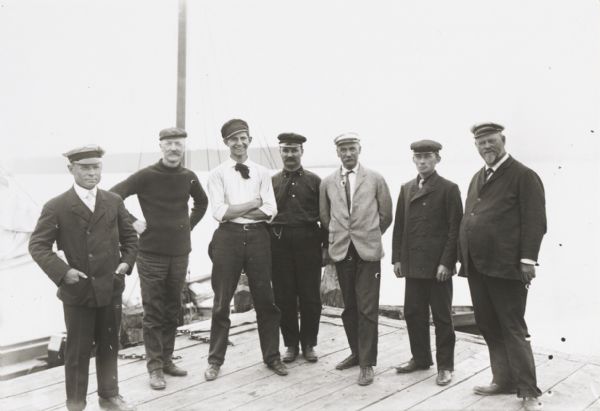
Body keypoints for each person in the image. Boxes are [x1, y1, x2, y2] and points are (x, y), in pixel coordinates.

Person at [29, 145, 138, 411]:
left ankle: (109, 396)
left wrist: (125, 263)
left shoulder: (113, 201)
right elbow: (38, 246)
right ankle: (76, 403)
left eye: (95, 167)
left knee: (110, 345)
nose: (91, 173)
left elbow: (131, 238)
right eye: (84, 168)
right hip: (78, 291)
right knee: (77, 352)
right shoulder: (57, 206)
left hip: (110, 287)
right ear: (71, 169)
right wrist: (63, 272)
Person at [110, 128, 208, 390]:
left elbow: (202, 203)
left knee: (172, 308)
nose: (174, 148)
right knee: (153, 311)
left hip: (179, 253)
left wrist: (187, 226)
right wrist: (132, 223)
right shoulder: (146, 176)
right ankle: (154, 368)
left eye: (179, 144)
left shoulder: (189, 177)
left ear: (183, 148)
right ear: (161, 147)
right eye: (169, 144)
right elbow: (112, 196)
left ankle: (166, 361)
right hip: (151, 255)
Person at [458, 122, 547, 411]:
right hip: (476, 265)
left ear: (503, 140)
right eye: (481, 143)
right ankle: (503, 380)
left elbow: (536, 222)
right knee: (487, 324)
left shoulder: (523, 175)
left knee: (512, 327)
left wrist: (527, 260)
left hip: (507, 267)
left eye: (491, 141)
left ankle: (528, 391)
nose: (487, 147)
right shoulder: (477, 177)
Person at [204, 118, 286, 381]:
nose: (239, 143)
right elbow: (219, 213)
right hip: (227, 239)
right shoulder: (217, 174)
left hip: (258, 240)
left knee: (266, 300)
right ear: (226, 143)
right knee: (220, 302)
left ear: (249, 140)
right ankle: (215, 360)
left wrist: (237, 212)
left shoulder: (262, 172)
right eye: (233, 139)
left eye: (243, 138)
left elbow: (270, 210)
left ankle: (272, 357)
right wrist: (252, 204)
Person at [319, 132, 393, 386]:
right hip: (342, 251)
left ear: (359, 149)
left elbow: (386, 215)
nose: (348, 153)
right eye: (343, 149)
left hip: (368, 252)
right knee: (349, 306)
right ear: (337, 153)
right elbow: (325, 218)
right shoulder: (328, 182)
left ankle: (367, 363)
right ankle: (355, 352)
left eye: (352, 148)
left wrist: (369, 236)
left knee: (367, 308)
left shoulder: (375, 178)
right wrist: (341, 239)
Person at [391, 140, 463, 386]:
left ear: (437, 159)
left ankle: (445, 366)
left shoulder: (449, 189)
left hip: (437, 268)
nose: (422, 161)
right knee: (413, 313)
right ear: (413, 160)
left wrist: (447, 262)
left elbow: (455, 230)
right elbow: (399, 226)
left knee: (442, 317)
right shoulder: (406, 188)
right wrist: (397, 259)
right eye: (418, 157)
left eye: (427, 156)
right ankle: (421, 358)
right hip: (412, 264)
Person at [270, 133, 324, 363]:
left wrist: (325, 247)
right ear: (280, 152)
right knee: (284, 296)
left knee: (311, 296)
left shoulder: (315, 181)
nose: (290, 155)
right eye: (285, 150)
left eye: (294, 150)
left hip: (308, 242)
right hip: (279, 243)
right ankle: (291, 344)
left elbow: (325, 216)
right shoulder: (271, 181)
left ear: (302, 152)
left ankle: (309, 343)